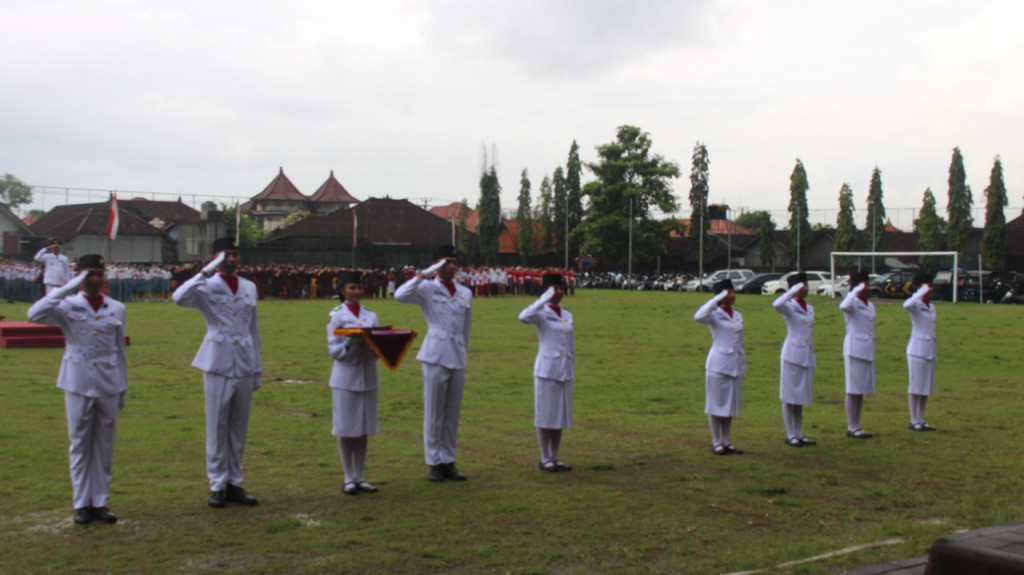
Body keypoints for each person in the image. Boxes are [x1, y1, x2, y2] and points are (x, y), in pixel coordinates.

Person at [27, 254, 127, 525]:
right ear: (79, 276)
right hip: (78, 380)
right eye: (89, 274)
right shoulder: (67, 304)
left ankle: (100, 501)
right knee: (80, 443)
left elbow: (120, 350)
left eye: (99, 274)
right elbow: (34, 314)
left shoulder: (116, 308)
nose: (95, 279)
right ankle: (82, 502)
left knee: (104, 445)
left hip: (108, 381)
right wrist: (66, 288)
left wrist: (123, 387)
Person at [172, 238, 262, 507]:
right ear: (215, 258)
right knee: (217, 425)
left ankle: (235, 482)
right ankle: (217, 483)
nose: (232, 260)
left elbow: (253, 329)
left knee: (239, 427)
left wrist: (257, 367)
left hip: (244, 359)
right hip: (217, 359)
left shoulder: (249, 287)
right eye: (226, 255)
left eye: (235, 254)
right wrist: (206, 271)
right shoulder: (206, 285)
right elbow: (178, 297)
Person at [394, 246, 472, 482]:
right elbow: (400, 295)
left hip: (456, 353)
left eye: (453, 262)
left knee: (452, 412)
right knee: (434, 411)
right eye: (445, 262)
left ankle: (449, 460)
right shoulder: (427, 288)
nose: (451, 266)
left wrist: (463, 351)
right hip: (435, 354)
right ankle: (434, 461)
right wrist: (424, 274)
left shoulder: (465, 292)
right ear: (436, 265)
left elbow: (466, 327)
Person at [327, 270, 381, 495]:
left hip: (367, 374)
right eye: (352, 288)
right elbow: (333, 350)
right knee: (346, 427)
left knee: (363, 428)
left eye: (359, 287)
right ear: (343, 290)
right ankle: (348, 477)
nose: (356, 292)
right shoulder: (336, 315)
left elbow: (378, 347)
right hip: (346, 376)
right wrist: (351, 341)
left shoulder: (371, 314)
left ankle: (360, 475)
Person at [519, 272, 575, 471]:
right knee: (545, 414)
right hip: (547, 369)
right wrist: (543, 299)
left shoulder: (567, 314)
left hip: (564, 369)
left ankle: (555, 456)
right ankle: (545, 457)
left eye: (560, 288)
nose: (558, 293)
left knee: (559, 414)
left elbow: (569, 343)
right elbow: (523, 317)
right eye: (554, 289)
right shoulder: (540, 313)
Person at [694, 278, 745, 455]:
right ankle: (716, 441)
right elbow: (698, 316)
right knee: (716, 404)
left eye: (733, 292)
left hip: (735, 364)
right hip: (718, 364)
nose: (733, 295)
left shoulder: (737, 315)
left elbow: (740, 342)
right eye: (729, 292)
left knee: (729, 405)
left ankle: (726, 440)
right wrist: (716, 299)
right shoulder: (714, 314)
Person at [773, 272, 816, 447]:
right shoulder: (789, 305)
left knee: (800, 397)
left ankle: (799, 432)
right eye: (801, 286)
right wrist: (791, 292)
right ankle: (790, 434)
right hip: (792, 354)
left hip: (806, 354)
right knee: (789, 396)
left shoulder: (810, 308)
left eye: (806, 285)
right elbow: (776, 304)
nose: (805, 289)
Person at [839, 271, 876, 438]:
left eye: (867, 284)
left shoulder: (869, 304)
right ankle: (851, 426)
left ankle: (857, 425)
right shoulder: (851, 301)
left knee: (860, 390)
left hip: (866, 348)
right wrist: (854, 291)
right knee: (852, 389)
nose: (866, 287)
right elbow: (843, 306)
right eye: (863, 284)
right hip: (854, 349)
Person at [905, 273, 937, 431]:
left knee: (925, 387)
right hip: (917, 349)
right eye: (927, 286)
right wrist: (919, 293)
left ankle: (921, 419)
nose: (930, 289)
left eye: (930, 286)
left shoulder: (931, 307)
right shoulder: (916, 304)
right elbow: (906, 304)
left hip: (929, 349)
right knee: (915, 386)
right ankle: (913, 420)